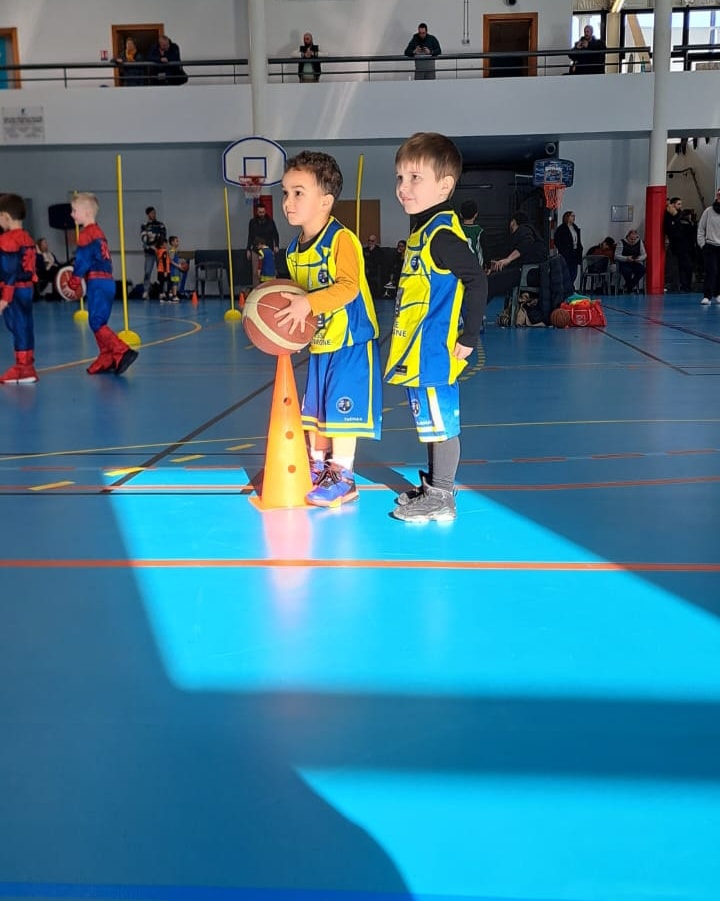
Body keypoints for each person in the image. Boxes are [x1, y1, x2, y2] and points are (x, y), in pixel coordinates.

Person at [385, 132, 487, 523]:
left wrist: (468, 337)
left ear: (444, 185)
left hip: (435, 351)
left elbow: (478, 280)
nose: (403, 187)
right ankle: (434, 486)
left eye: (414, 178)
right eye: (399, 178)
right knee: (428, 422)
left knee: (442, 424)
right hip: (416, 352)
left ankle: (443, 494)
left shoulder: (442, 234)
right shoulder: (422, 232)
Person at [275, 150, 381, 507]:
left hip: (352, 341)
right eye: (285, 193)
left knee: (341, 412)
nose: (288, 202)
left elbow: (348, 286)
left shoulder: (342, 240)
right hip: (320, 344)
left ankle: (344, 476)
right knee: (315, 413)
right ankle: (318, 468)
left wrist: (308, 303)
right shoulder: (292, 250)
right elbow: (297, 298)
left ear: (326, 201)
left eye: (298, 193)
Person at [67, 193, 138, 375]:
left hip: (97, 282)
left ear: (87, 212)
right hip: (108, 281)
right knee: (98, 321)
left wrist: (73, 283)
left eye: (75, 211)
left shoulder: (86, 235)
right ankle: (106, 356)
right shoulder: (99, 233)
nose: (72, 215)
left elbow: (82, 262)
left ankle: (122, 350)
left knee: (96, 322)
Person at [0, 193, 39, 384]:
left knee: (18, 326)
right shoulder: (28, 238)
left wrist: (5, 298)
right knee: (25, 325)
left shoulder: (8, 240)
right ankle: (27, 364)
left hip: (13, 290)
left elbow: (9, 272)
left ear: (5, 216)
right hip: (27, 289)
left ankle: (23, 368)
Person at [486, 210, 547, 303]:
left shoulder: (523, 230)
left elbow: (526, 243)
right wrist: (496, 264)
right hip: (532, 272)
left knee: (490, 282)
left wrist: (508, 260)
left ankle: (475, 313)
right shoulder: (532, 232)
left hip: (528, 273)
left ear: (513, 222)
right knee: (495, 278)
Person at [246, 203, 279, 288]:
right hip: (256, 249)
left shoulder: (270, 222)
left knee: (269, 271)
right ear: (257, 212)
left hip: (268, 250)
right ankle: (256, 291)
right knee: (255, 272)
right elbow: (250, 236)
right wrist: (248, 249)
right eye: (260, 212)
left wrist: (276, 245)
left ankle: (269, 290)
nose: (261, 214)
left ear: (265, 211)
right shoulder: (252, 222)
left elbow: (275, 234)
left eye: (263, 212)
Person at [697, 187, 720, 305]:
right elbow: (701, 229)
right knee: (711, 271)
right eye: (718, 192)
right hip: (710, 246)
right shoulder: (708, 211)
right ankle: (707, 296)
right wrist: (702, 245)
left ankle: (717, 294)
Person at [140, 206, 167, 299]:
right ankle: (146, 291)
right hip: (149, 253)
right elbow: (144, 239)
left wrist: (158, 247)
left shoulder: (160, 225)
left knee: (161, 272)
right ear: (148, 215)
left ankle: (162, 292)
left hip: (159, 252)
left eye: (154, 213)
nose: (154, 214)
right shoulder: (144, 225)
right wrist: (152, 247)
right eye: (152, 213)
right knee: (147, 272)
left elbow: (163, 237)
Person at [553, 210, 583, 285]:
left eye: (574, 216)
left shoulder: (575, 228)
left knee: (574, 271)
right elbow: (557, 241)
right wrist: (563, 249)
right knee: (566, 270)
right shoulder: (561, 229)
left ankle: (571, 285)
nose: (574, 218)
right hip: (566, 253)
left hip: (575, 252)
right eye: (572, 216)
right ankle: (567, 287)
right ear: (567, 217)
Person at [615, 229, 647, 293]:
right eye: (631, 239)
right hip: (624, 262)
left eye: (634, 239)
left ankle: (629, 285)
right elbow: (616, 256)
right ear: (628, 237)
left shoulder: (639, 242)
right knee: (627, 271)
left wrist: (639, 259)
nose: (633, 241)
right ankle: (629, 288)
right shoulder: (621, 242)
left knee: (642, 270)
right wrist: (626, 258)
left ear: (637, 237)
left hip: (635, 262)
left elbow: (644, 255)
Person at [459, 199, 485, 267]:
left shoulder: (457, 230)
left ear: (460, 215)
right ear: (476, 215)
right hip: (476, 268)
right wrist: (487, 265)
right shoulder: (479, 231)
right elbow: (485, 251)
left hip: (460, 268)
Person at [168, 235, 189, 299]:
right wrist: (178, 266)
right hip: (174, 269)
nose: (178, 243)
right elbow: (170, 261)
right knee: (175, 282)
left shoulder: (174, 250)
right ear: (172, 242)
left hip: (175, 269)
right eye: (176, 241)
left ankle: (171, 294)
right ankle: (174, 296)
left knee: (174, 282)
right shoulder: (172, 250)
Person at [154, 236, 172, 301]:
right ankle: (167, 295)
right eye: (165, 244)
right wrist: (165, 271)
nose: (166, 245)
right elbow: (164, 261)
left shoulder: (158, 251)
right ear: (162, 244)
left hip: (160, 270)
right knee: (168, 283)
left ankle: (162, 295)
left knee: (161, 283)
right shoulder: (164, 251)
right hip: (164, 270)